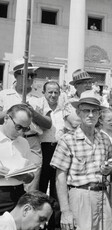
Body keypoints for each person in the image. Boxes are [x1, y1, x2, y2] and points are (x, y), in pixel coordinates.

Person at [50, 90, 112, 230]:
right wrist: (65, 211)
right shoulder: (67, 140)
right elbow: (60, 178)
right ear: (78, 113)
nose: (90, 115)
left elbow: (110, 169)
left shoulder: (105, 139)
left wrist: (107, 170)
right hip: (79, 195)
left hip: (103, 196)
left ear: (99, 114)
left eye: (94, 111)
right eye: (86, 110)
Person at [0, 59, 52, 192]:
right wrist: (13, 110)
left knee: (30, 183)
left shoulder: (39, 97)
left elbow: (48, 124)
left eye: (32, 75)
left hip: (31, 142)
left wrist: (33, 113)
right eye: (26, 74)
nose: (30, 78)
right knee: (7, 179)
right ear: (16, 76)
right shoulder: (4, 95)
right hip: (8, 142)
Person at [36, 81, 66, 229]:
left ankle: (55, 224)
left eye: (56, 92)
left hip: (59, 150)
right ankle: (38, 222)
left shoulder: (63, 111)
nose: (53, 95)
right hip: (43, 149)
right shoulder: (39, 109)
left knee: (57, 188)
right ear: (44, 93)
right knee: (40, 187)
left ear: (60, 93)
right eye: (50, 92)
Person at [0, 104, 36, 214]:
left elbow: (31, 176)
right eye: (18, 127)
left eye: (26, 129)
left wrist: (25, 176)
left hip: (18, 195)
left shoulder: (23, 142)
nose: (21, 132)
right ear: (6, 118)